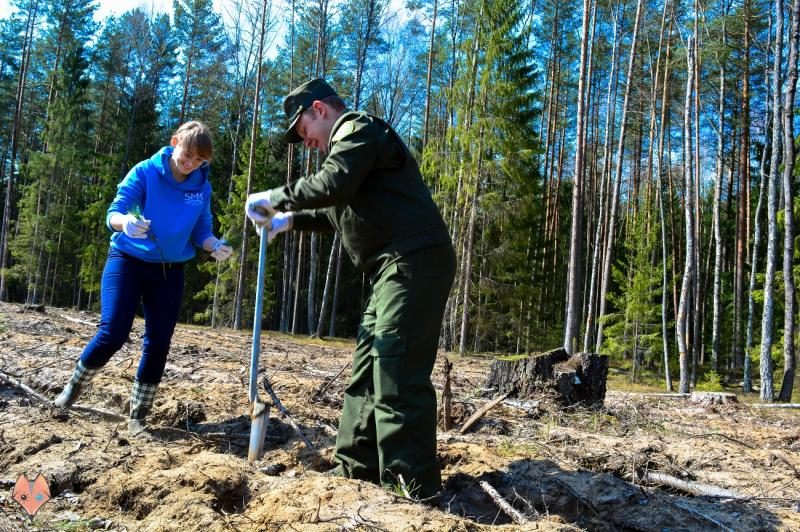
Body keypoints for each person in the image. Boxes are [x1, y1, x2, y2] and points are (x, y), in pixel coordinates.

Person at [245, 78, 456, 499]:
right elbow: (339, 209)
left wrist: (276, 198)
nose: (307, 143)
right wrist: (289, 222)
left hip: (414, 261)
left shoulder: (358, 130)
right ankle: (355, 473)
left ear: (319, 110)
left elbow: (333, 187)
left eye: (304, 132)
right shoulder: (348, 153)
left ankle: (410, 487)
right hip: (389, 272)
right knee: (365, 372)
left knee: (396, 371)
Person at [54, 121, 233, 437]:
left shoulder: (201, 188)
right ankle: (73, 388)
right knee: (113, 332)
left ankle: (137, 417)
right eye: (187, 154)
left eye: (199, 160)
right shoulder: (145, 172)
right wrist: (126, 223)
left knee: (159, 342)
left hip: (169, 271)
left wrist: (214, 245)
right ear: (174, 142)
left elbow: (201, 230)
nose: (190, 164)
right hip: (127, 261)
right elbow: (114, 211)